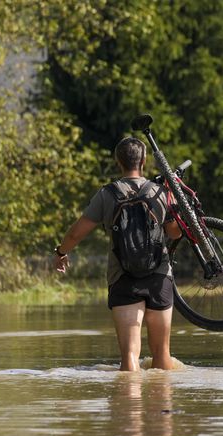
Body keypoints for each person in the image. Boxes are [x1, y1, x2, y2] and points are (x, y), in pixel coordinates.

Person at [53, 137, 183, 371]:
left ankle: (128, 406)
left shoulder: (107, 194)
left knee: (130, 356)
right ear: (143, 161)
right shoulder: (160, 192)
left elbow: (76, 234)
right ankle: (162, 407)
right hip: (159, 276)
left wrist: (61, 252)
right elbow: (174, 233)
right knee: (162, 355)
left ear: (118, 162)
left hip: (122, 278)